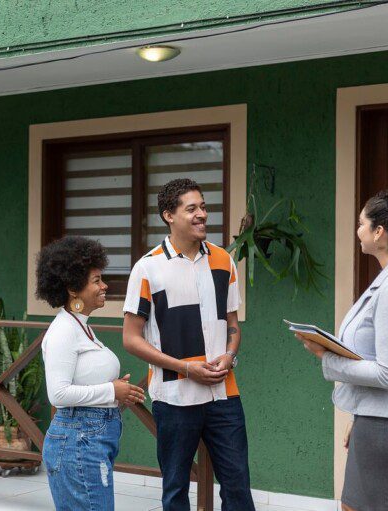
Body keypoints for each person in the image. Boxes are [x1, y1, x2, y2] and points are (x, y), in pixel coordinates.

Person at [122, 178, 255, 511]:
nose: (202, 215)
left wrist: (229, 356)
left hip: (224, 395)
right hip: (174, 398)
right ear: (169, 215)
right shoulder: (148, 267)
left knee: (238, 487)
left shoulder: (224, 261)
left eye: (204, 207)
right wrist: (185, 368)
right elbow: (130, 338)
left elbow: (233, 325)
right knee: (176, 489)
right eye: (191, 208)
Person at [300, 186, 388, 511]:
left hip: (387, 424)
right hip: (375, 419)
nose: (357, 230)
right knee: (351, 507)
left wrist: (328, 358)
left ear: (379, 231)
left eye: (362, 223)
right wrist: (360, 418)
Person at [37, 236, 145, 511]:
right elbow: (58, 394)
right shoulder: (64, 330)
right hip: (78, 441)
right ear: (74, 288)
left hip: (88, 439)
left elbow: (83, 378)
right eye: (96, 280)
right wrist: (112, 391)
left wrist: (115, 392)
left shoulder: (81, 326)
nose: (104, 285)